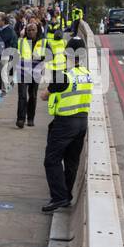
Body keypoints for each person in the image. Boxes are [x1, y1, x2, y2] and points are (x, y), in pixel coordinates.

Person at [41, 37, 94, 212]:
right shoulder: (86, 73)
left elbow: (44, 95)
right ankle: (67, 195)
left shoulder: (63, 75)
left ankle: (59, 197)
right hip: (82, 122)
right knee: (72, 161)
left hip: (65, 123)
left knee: (52, 160)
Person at [17, 22, 45, 128]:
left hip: (36, 73)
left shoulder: (43, 42)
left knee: (32, 96)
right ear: (26, 31)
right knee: (22, 96)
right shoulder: (21, 41)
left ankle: (30, 118)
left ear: (37, 30)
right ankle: (20, 119)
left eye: (33, 30)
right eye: (29, 30)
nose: (31, 32)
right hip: (23, 72)